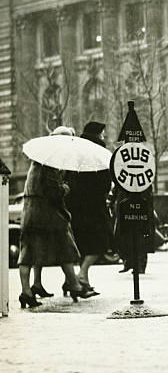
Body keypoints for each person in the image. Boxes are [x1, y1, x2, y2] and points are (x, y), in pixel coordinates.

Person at [18, 128, 97, 307]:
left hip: (30, 214)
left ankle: (26, 291)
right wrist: (65, 188)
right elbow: (53, 192)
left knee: (27, 253)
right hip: (47, 216)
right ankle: (75, 285)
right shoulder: (50, 166)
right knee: (65, 248)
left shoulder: (36, 163)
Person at [64, 121, 112, 294]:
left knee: (83, 243)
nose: (104, 137)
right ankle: (82, 275)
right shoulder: (98, 152)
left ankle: (76, 280)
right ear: (97, 134)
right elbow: (105, 183)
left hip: (75, 206)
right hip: (94, 206)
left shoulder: (76, 150)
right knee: (101, 241)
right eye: (103, 134)